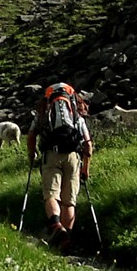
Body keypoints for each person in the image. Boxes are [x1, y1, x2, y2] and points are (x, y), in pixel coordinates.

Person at [26, 83, 93, 244]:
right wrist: (85, 168)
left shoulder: (43, 112)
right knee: (69, 201)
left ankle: (56, 226)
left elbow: (31, 135)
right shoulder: (76, 114)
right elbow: (88, 145)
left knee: (51, 195)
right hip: (73, 158)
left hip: (51, 154)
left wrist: (32, 155)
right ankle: (66, 238)